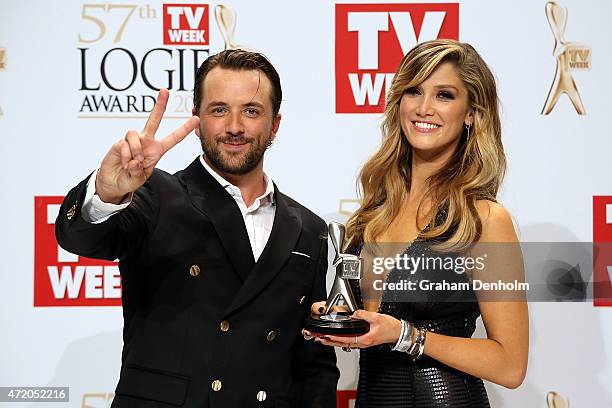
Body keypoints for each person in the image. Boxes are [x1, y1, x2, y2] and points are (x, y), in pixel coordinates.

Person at [56, 49, 339, 408]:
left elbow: (314, 365)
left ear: (275, 124)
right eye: (219, 109)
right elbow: (82, 237)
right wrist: (109, 192)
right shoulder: (154, 195)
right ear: (196, 119)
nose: (234, 126)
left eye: (251, 111)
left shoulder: (309, 229)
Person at [305, 39, 528, 407]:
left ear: (472, 112)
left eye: (444, 95)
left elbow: (510, 364)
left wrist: (406, 335)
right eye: (413, 91)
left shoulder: (484, 219)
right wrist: (339, 320)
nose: (424, 108)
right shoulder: (375, 211)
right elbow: (377, 323)